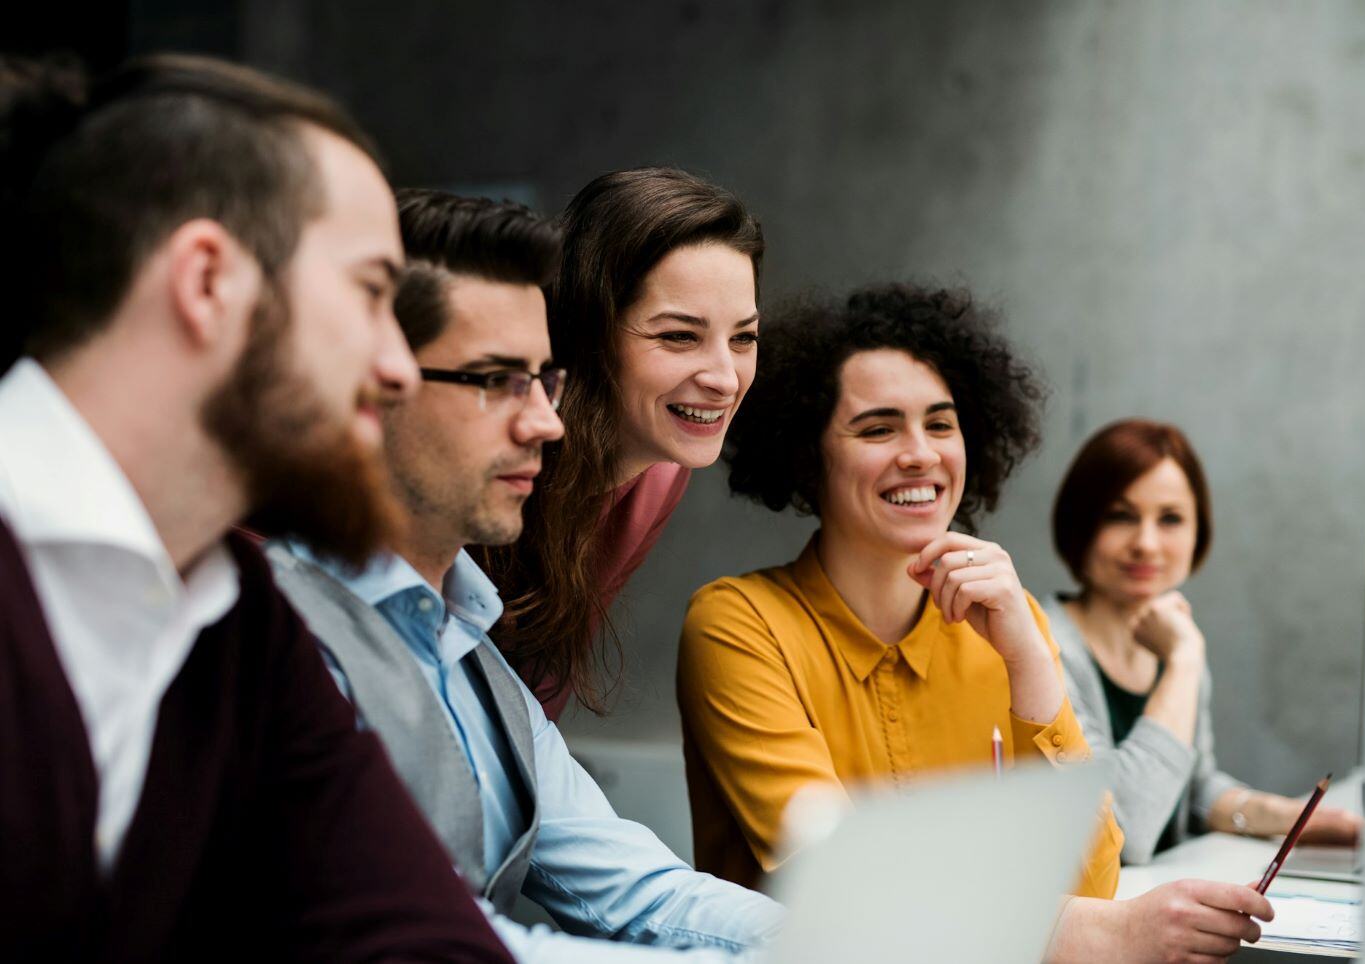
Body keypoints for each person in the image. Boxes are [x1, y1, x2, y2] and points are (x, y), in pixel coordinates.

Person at [0, 56, 511, 960]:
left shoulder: (235, 620)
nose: (398, 368)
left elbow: (417, 939)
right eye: (370, 293)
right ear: (207, 281)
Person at [677, 284, 1275, 963]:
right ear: (808, 459)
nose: (921, 454)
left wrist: (1028, 660)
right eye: (878, 428)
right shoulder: (735, 625)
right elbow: (850, 882)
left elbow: (1094, 879)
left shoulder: (1005, 627)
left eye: (940, 423)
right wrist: (1107, 930)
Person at [268, 189, 783, 962]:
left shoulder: (475, 648)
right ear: (370, 387)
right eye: (495, 380)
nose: (547, 421)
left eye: (544, 380)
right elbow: (431, 942)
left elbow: (642, 890)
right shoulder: (275, 638)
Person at [481, 167, 763, 718]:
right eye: (680, 336)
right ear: (591, 334)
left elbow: (534, 699)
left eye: (744, 337)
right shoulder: (499, 453)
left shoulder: (663, 472)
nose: (726, 379)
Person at [1044, 418, 1364, 864]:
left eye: (1171, 518)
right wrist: (1184, 661)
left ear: (1199, 531)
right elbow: (1124, 826)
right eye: (1120, 516)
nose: (1147, 543)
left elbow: (1191, 786)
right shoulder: (1043, 646)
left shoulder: (1171, 641)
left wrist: (1282, 816)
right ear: (1079, 525)